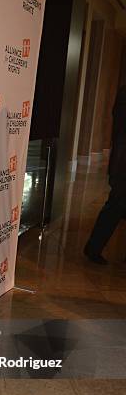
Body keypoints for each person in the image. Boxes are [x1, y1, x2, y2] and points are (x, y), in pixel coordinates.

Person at [84, 84, 126, 264]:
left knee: (115, 206)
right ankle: (93, 248)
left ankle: (93, 248)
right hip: (123, 164)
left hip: (121, 163)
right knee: (115, 206)